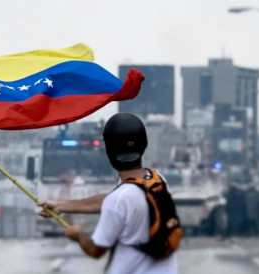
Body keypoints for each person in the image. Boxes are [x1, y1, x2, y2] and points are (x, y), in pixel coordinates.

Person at [37, 113, 179, 274]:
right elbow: (115, 200)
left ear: (109, 151)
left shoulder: (119, 200)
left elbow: (96, 250)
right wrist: (62, 206)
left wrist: (78, 236)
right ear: (143, 145)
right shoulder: (158, 180)